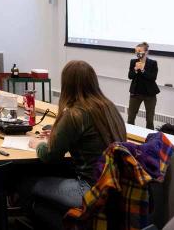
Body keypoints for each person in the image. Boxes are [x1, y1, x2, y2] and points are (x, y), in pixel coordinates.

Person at [23, 60, 127, 226]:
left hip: (88, 188)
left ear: (67, 85)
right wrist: (60, 135)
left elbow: (50, 156)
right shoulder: (109, 108)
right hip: (114, 187)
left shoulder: (75, 114)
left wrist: (40, 144)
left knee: (24, 182)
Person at [127, 42, 159, 130]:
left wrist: (143, 70)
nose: (138, 53)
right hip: (135, 93)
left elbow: (153, 78)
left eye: (140, 51)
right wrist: (136, 70)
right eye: (136, 51)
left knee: (149, 119)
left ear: (146, 52)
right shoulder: (133, 62)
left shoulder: (153, 63)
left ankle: (150, 139)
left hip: (150, 94)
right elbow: (130, 76)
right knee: (131, 117)